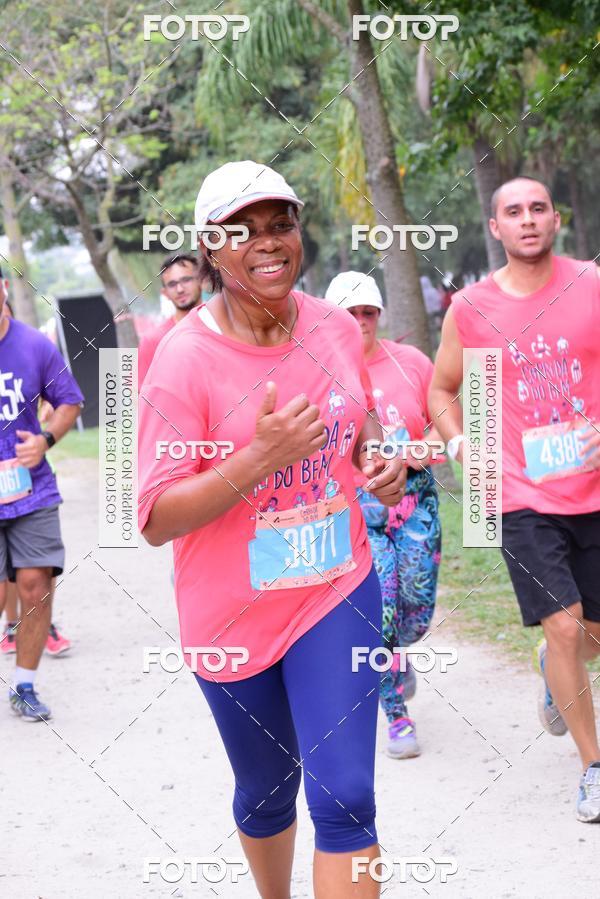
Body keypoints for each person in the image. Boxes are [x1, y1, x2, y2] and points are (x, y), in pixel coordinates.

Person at [138, 160, 407, 898]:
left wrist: (376, 456)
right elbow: (156, 517)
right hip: (232, 613)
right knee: (266, 790)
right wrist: (258, 458)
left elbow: (359, 421)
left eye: (280, 222)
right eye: (242, 229)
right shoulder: (182, 360)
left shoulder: (330, 325)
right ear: (210, 247)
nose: (267, 241)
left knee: (346, 796)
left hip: (335, 589)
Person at [429, 176, 600, 823]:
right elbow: (443, 389)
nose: (527, 219)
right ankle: (592, 763)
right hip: (519, 492)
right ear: (494, 227)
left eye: (537, 208)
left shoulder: (590, 282)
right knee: (563, 622)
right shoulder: (471, 307)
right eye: (512, 212)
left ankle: (555, 668)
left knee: (588, 634)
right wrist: (463, 446)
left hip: (593, 485)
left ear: (556, 218)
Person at [326, 272, 443, 760]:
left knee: (414, 618)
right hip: (356, 510)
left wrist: (408, 452)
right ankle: (396, 714)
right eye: (348, 314)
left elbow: (442, 434)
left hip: (416, 503)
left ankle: (400, 654)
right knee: (382, 613)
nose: (359, 322)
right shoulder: (320, 372)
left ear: (379, 316)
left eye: (367, 313)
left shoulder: (411, 362)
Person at [0, 266, 83, 720]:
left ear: (5, 289)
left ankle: (25, 686)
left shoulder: (34, 345)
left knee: (35, 586)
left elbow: (69, 400)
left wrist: (45, 440)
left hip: (31, 492)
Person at [137, 252, 205, 386]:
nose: (180, 289)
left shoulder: (226, 326)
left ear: (201, 281)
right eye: (172, 284)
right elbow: (140, 395)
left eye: (186, 280)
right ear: (165, 293)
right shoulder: (153, 340)